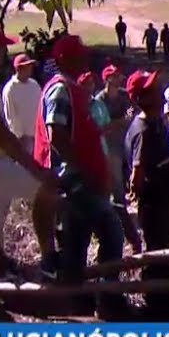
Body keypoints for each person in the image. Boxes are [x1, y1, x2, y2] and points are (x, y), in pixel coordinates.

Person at [33, 35, 128, 317]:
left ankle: (90, 299)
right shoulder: (61, 90)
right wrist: (83, 170)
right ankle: (90, 302)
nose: (85, 60)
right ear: (63, 59)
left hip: (83, 179)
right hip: (75, 181)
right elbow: (57, 135)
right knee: (104, 236)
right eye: (79, 56)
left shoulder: (72, 90)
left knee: (90, 239)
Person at [0, 22, 59, 282]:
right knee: (47, 190)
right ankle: (50, 259)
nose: (3, 52)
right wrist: (35, 168)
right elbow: (0, 133)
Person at [123, 70, 169, 320]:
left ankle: (167, 304)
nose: (161, 93)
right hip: (155, 205)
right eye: (153, 90)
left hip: (164, 201)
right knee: (159, 255)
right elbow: (137, 173)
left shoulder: (156, 122)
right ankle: (160, 309)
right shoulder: (143, 129)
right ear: (142, 99)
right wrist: (143, 195)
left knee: (166, 251)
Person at [94, 64, 136, 250]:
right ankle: (121, 218)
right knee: (117, 183)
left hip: (125, 142)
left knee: (128, 175)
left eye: (119, 75)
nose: (119, 78)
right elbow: (104, 125)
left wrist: (124, 119)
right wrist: (121, 121)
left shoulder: (124, 95)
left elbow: (130, 113)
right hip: (109, 147)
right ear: (107, 79)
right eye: (114, 75)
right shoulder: (99, 100)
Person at [2, 53, 42, 155]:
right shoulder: (10, 88)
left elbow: (40, 106)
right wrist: (19, 136)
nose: (30, 69)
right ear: (19, 69)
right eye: (27, 66)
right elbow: (10, 115)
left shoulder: (34, 85)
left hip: (38, 134)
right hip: (23, 138)